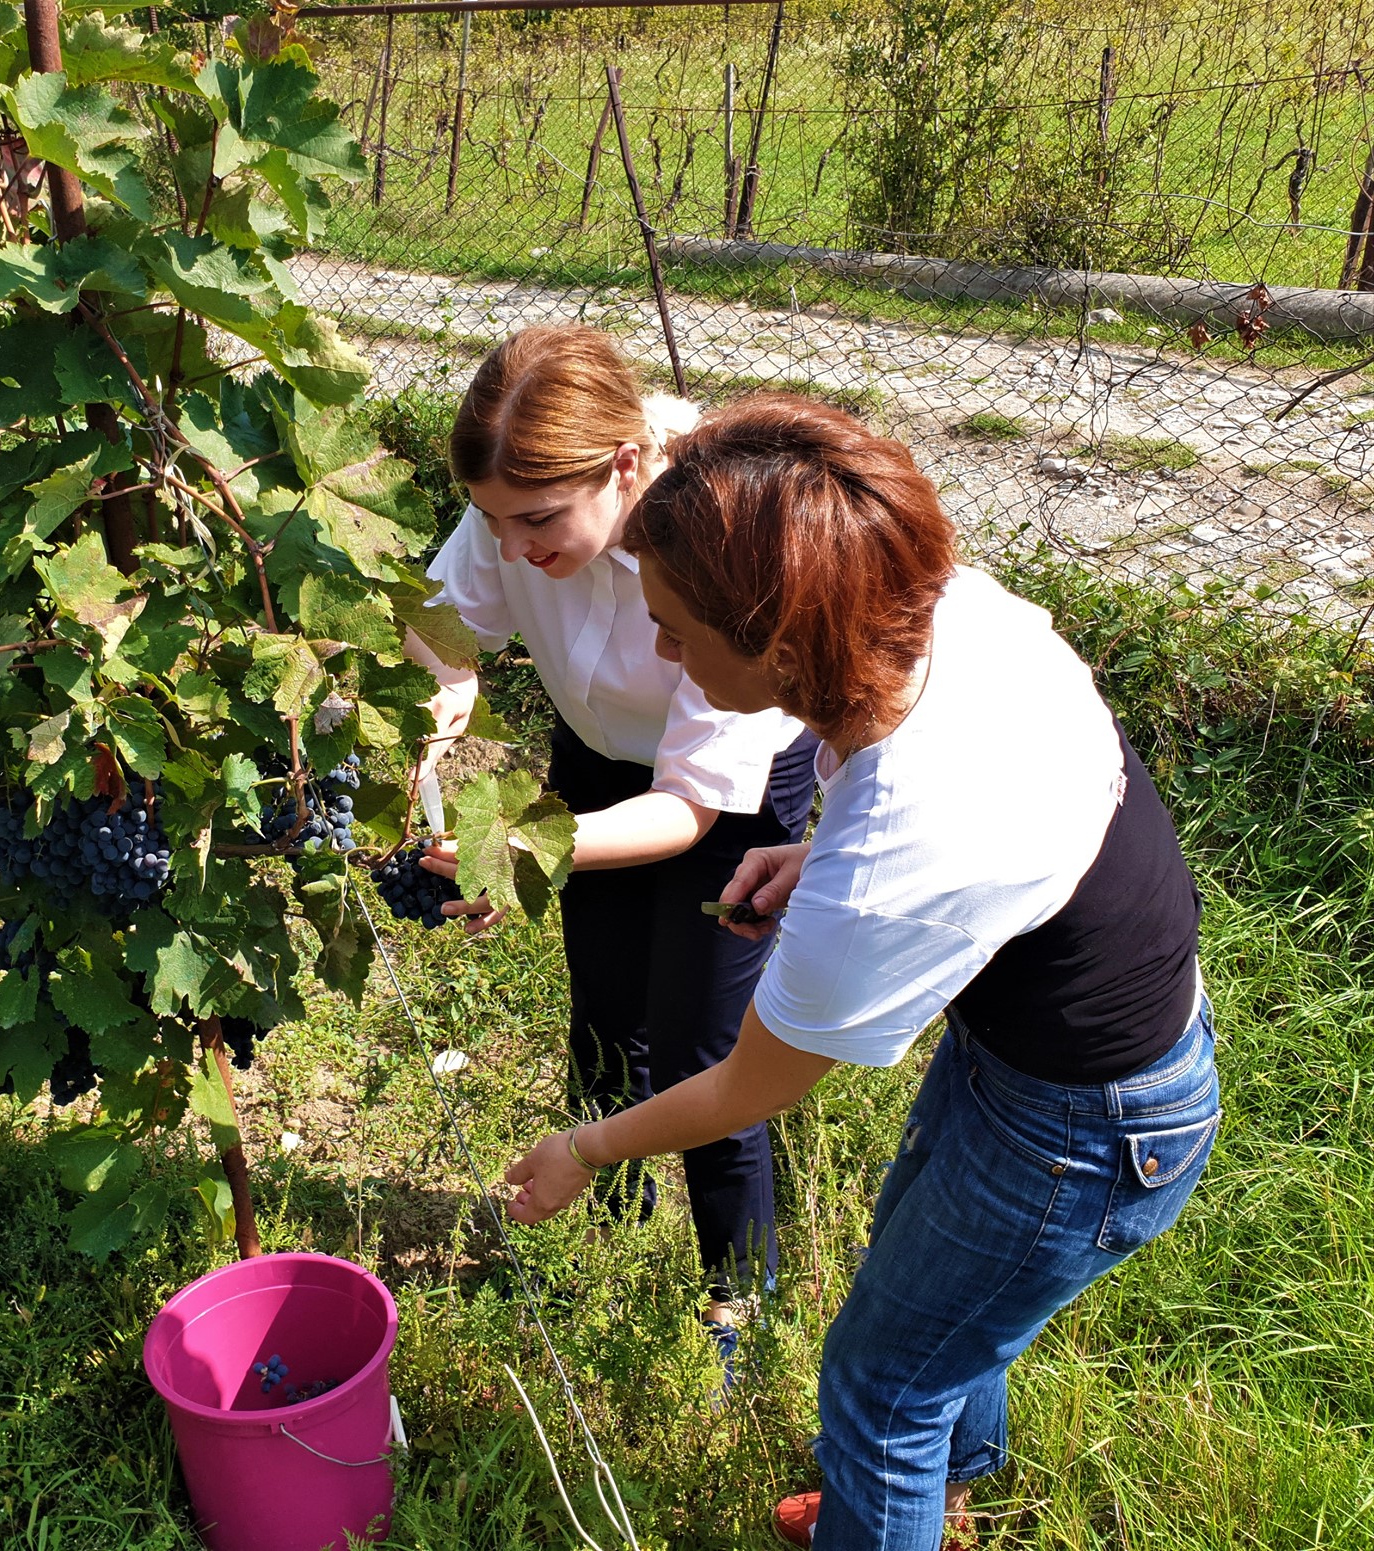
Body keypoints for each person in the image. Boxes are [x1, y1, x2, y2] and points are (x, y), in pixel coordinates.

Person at [501, 392, 1219, 1550]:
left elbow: (742, 1090)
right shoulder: (937, 611)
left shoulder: (887, 860)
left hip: (1089, 1129)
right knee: (929, 1301)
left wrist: (583, 1149)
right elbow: (991, 806)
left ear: (779, 647)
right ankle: (939, 1499)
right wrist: (815, 852)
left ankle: (893, 1495)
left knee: (880, 1390)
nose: (660, 653)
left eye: (676, 631)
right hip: (1046, 1051)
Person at [402, 325, 820, 1345]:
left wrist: (519, 852)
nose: (512, 547)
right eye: (491, 520)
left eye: (536, 520)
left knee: (703, 1049)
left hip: (728, 797)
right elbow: (439, 621)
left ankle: (738, 1301)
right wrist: (443, 690)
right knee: (603, 1008)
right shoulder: (515, 508)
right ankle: (608, 1230)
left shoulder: (719, 555)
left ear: (625, 465)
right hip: (596, 764)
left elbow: (689, 807)